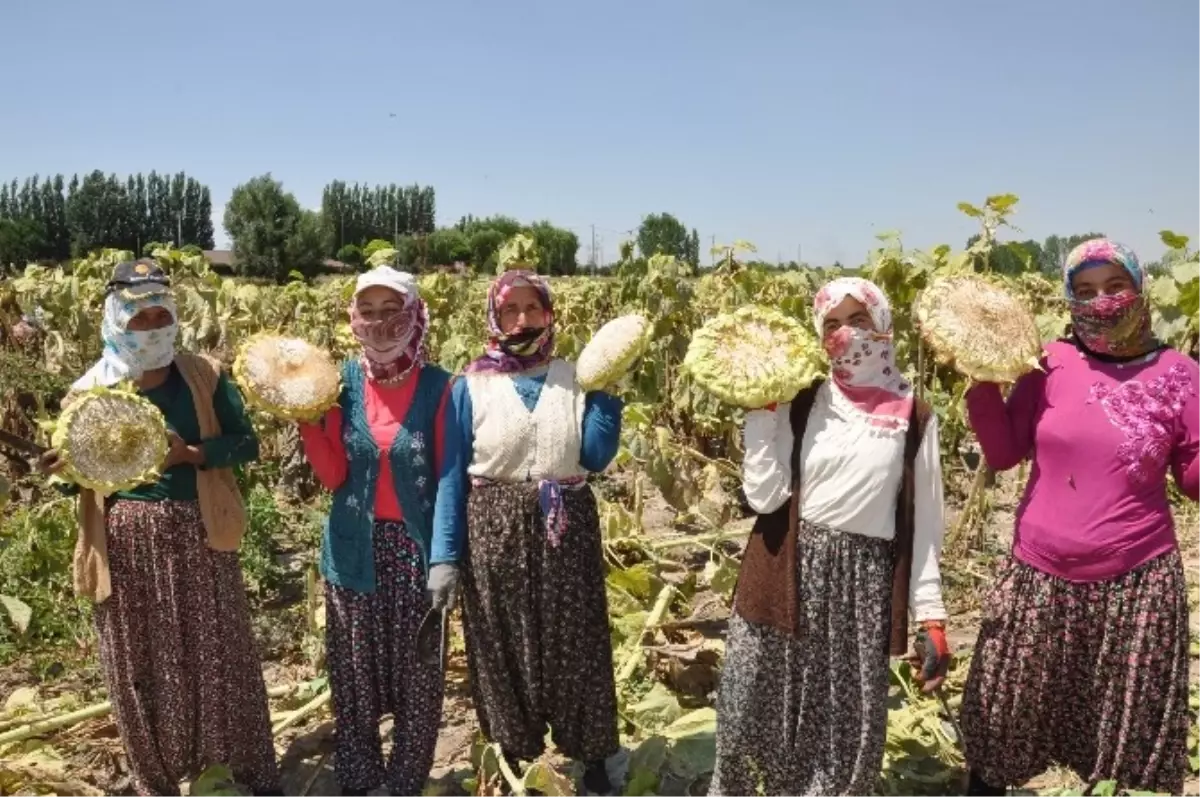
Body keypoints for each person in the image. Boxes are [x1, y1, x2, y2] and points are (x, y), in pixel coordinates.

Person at [960, 239, 1198, 797]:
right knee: (1002, 727)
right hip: (1038, 579)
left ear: (1139, 289)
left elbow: (1191, 480)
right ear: (1069, 297)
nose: (1102, 301)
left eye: (1115, 285)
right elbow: (1003, 454)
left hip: (1136, 587)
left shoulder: (1179, 374)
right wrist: (982, 384)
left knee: (1124, 747)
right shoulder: (1049, 362)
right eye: (1086, 290)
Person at [37, 259, 281, 797]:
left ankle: (226, 773)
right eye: (139, 319)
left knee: (217, 652)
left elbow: (246, 443)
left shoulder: (203, 376)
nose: (152, 329)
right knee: (141, 660)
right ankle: (159, 776)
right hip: (125, 542)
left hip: (199, 532)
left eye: (159, 315)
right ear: (115, 321)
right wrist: (61, 468)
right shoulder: (90, 393)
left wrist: (190, 454)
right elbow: (76, 479)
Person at [709, 277, 950, 797]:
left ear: (883, 325)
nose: (846, 335)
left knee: (844, 727)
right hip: (786, 569)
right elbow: (765, 497)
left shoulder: (915, 417)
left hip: (860, 585)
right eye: (832, 324)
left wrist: (931, 615)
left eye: (858, 320)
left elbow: (926, 524)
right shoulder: (801, 400)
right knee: (753, 711)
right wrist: (760, 415)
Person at [438, 269, 625, 795]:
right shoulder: (468, 384)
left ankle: (590, 755)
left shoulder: (575, 376)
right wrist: (444, 556)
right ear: (494, 317)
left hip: (565, 526)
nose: (522, 319)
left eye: (532, 308)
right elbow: (451, 476)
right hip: (492, 530)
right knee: (501, 645)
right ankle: (517, 756)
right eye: (509, 310)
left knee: (578, 642)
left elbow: (593, 456)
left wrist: (608, 396)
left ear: (548, 313)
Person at [298, 266, 458, 797]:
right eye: (367, 311)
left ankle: (404, 781)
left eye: (391, 309)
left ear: (413, 313)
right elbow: (332, 476)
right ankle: (361, 779)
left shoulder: (440, 387)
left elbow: (450, 478)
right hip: (354, 551)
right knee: (354, 678)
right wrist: (307, 417)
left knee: (419, 678)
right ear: (353, 318)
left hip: (415, 555)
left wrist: (445, 557)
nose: (379, 322)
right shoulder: (340, 383)